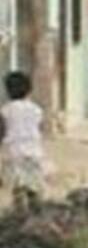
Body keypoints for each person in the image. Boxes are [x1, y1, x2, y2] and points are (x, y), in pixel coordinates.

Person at [0, 71, 45, 211]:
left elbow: (2, 132)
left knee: (18, 189)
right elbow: (38, 128)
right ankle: (36, 214)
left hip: (14, 154)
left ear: (7, 91)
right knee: (34, 188)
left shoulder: (5, 111)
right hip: (34, 153)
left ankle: (20, 217)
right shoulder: (37, 110)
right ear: (29, 90)